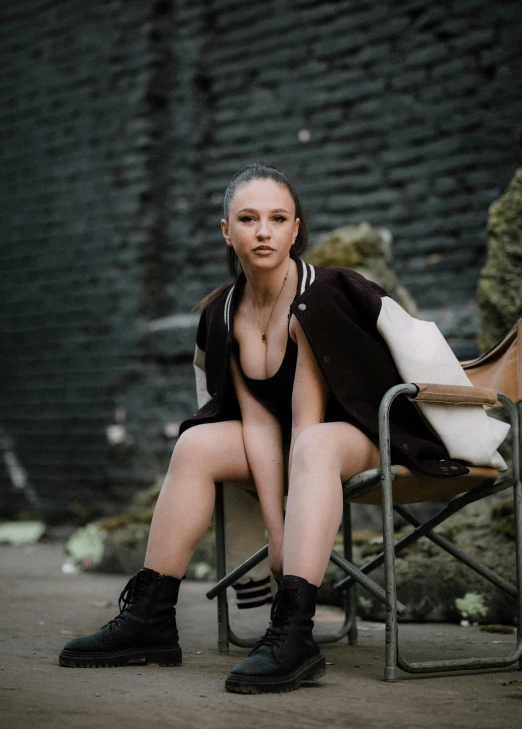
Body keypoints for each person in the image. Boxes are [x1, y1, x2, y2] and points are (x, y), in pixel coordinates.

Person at [59, 163, 474, 693]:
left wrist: (283, 542)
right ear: (226, 231)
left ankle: (294, 631)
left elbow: (307, 420)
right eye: (248, 218)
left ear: (295, 229)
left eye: (277, 218)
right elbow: (255, 420)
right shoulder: (224, 312)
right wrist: (277, 534)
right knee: (196, 444)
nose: (263, 231)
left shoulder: (316, 297)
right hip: (289, 441)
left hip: (366, 430)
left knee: (318, 443)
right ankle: (151, 617)